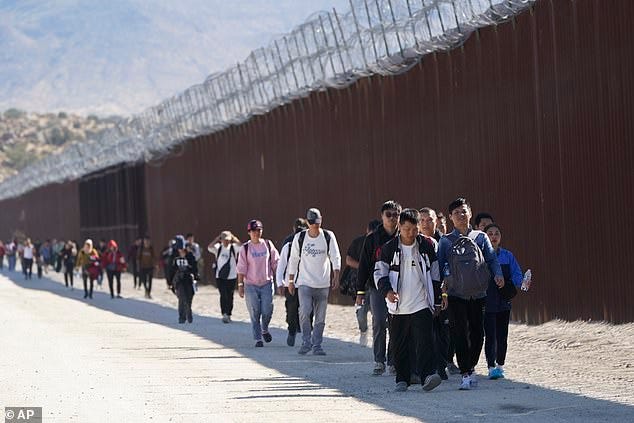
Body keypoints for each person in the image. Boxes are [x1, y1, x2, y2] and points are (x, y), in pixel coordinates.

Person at [438, 198, 503, 390]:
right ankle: (465, 372)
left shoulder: (480, 237)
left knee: (477, 334)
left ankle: (471, 365)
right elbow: (440, 266)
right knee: (459, 333)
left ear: (470, 213)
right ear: (450, 217)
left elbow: (491, 259)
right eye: (456, 212)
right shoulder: (445, 241)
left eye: (464, 211)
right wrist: (442, 290)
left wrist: (498, 274)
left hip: (479, 293)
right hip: (456, 294)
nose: (461, 215)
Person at [375, 208, 442, 392]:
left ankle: (427, 375)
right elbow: (380, 273)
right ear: (400, 227)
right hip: (398, 305)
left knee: (425, 341)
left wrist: (436, 300)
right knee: (399, 343)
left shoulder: (426, 247)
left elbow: (435, 275)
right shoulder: (389, 248)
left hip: (421, 301)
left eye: (414, 229)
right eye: (406, 230)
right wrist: (387, 291)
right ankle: (402, 379)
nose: (410, 233)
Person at [287, 208, 341, 356]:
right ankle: (306, 342)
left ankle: (317, 345)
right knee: (304, 311)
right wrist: (291, 280)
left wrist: (336, 275)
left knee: (321, 316)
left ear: (321, 220)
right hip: (304, 282)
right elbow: (293, 260)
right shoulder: (300, 238)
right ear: (307, 222)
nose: (314, 226)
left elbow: (335, 256)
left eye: (317, 223)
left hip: (323, 283)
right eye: (311, 223)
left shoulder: (328, 236)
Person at [356, 200, 401, 375]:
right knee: (380, 321)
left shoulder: (403, 237)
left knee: (396, 323)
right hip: (376, 287)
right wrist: (360, 291)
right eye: (388, 215)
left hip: (399, 286)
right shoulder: (372, 239)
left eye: (395, 214)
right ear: (382, 217)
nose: (392, 218)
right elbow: (364, 267)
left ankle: (393, 360)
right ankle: (379, 360)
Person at [484, 223, 528, 379]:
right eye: (490, 233)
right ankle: (490, 367)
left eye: (497, 233)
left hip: (503, 301)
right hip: (487, 302)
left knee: (502, 335)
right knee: (490, 336)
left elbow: (517, 275)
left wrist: (522, 282)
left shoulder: (508, 256)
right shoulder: (481, 256)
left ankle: (500, 365)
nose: (494, 236)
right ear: (485, 237)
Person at [419, 207, 452, 380]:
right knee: (425, 332)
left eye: (429, 220)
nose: (426, 223)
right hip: (422, 294)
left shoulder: (444, 241)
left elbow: (446, 268)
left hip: (441, 292)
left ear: (436, 221)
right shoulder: (415, 241)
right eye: (422, 220)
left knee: (442, 331)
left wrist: (444, 293)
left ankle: (442, 366)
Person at [237, 220, 279, 347]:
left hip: (266, 282)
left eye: (259, 230)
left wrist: (281, 281)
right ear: (249, 232)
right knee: (255, 312)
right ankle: (257, 339)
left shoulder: (268, 244)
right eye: (254, 230)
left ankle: (264, 329)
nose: (256, 233)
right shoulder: (245, 248)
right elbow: (241, 268)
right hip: (251, 285)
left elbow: (276, 263)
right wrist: (240, 286)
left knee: (267, 310)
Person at [276, 218, 309, 346]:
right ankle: (292, 330)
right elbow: (281, 265)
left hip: (307, 282)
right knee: (291, 308)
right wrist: (280, 282)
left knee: (307, 310)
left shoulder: (311, 243)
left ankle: (307, 334)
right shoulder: (288, 244)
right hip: (292, 283)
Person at [344, 219, 381, 335]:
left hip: (376, 284)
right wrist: (363, 266)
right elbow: (348, 260)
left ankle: (376, 337)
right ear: (367, 231)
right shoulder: (359, 242)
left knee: (378, 314)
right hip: (361, 283)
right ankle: (363, 330)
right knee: (361, 313)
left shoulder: (382, 242)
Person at [208, 231, 242, 323]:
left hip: (232, 276)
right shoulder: (218, 248)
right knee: (223, 295)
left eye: (227, 240)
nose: (226, 242)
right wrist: (217, 238)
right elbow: (209, 247)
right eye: (224, 240)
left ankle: (229, 313)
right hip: (220, 276)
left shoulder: (233, 248)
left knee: (230, 295)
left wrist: (234, 237)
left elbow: (242, 246)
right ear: (221, 240)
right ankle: (224, 314)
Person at [171, 236, 199, 323]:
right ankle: (182, 317)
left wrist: (196, 276)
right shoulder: (174, 257)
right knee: (182, 297)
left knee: (189, 298)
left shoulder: (190, 256)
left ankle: (188, 313)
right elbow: (171, 269)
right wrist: (170, 282)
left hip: (189, 280)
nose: (180, 250)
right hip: (179, 281)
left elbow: (195, 267)